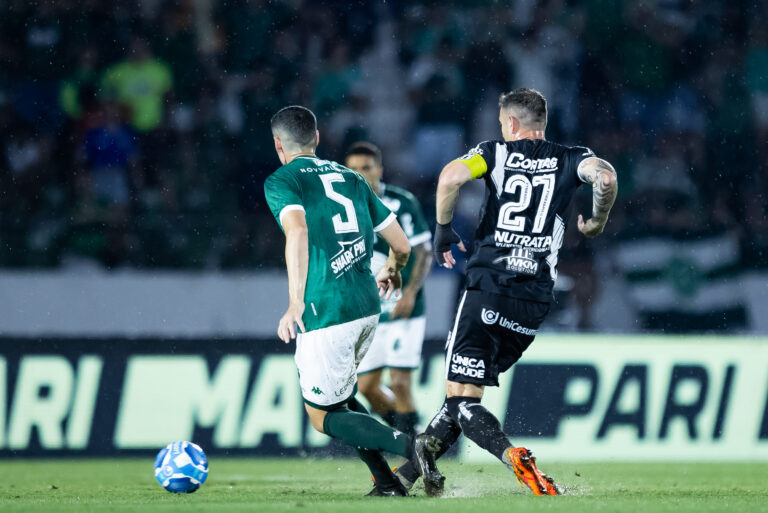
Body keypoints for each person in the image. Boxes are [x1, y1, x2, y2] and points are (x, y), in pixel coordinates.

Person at [394, 88, 618, 496]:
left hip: (488, 285)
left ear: (511, 123)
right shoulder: (572, 156)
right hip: (534, 299)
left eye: (502, 123)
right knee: (461, 398)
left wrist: (443, 231)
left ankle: (512, 456)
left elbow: (449, 177)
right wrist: (597, 221)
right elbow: (605, 177)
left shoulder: (493, 153)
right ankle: (401, 480)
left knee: (462, 399)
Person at [263, 106, 443, 497]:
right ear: (318, 138)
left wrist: (295, 302)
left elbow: (297, 233)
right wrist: (393, 269)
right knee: (342, 398)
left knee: (320, 416)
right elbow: (401, 244)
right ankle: (387, 482)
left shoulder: (282, 180)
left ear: (278, 144)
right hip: (367, 305)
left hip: (326, 308)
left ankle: (412, 445)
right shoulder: (351, 177)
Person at [345, 142, 432, 436]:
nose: (359, 174)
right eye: (353, 169)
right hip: (370, 312)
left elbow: (424, 252)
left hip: (403, 307)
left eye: (365, 168)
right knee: (368, 388)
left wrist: (410, 293)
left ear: (379, 171)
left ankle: (414, 454)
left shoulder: (400, 202)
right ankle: (413, 437)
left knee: (399, 383)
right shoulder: (344, 209)